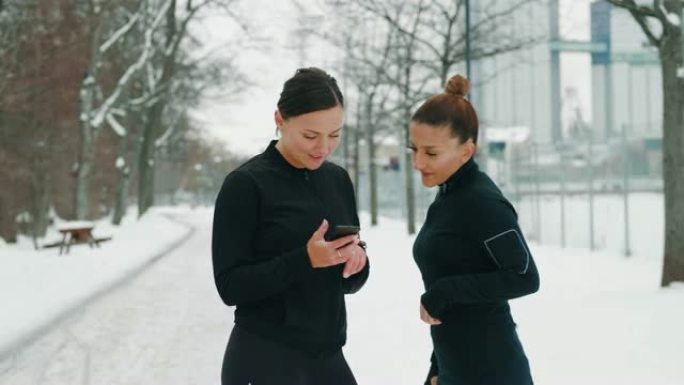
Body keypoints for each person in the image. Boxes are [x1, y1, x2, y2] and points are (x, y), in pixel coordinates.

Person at [211, 67, 369, 385]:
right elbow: (230, 286)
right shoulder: (245, 184)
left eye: (335, 134)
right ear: (280, 119)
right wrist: (305, 259)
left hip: (328, 355)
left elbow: (346, 281)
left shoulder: (337, 180)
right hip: (264, 357)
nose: (323, 147)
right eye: (310, 135)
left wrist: (357, 262)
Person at [409, 74, 540, 385]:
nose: (417, 162)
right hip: (456, 366)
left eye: (430, 153)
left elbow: (525, 277)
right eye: (413, 149)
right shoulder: (447, 195)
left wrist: (445, 292)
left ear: (466, 151)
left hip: (492, 371)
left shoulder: (483, 202)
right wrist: (437, 366)